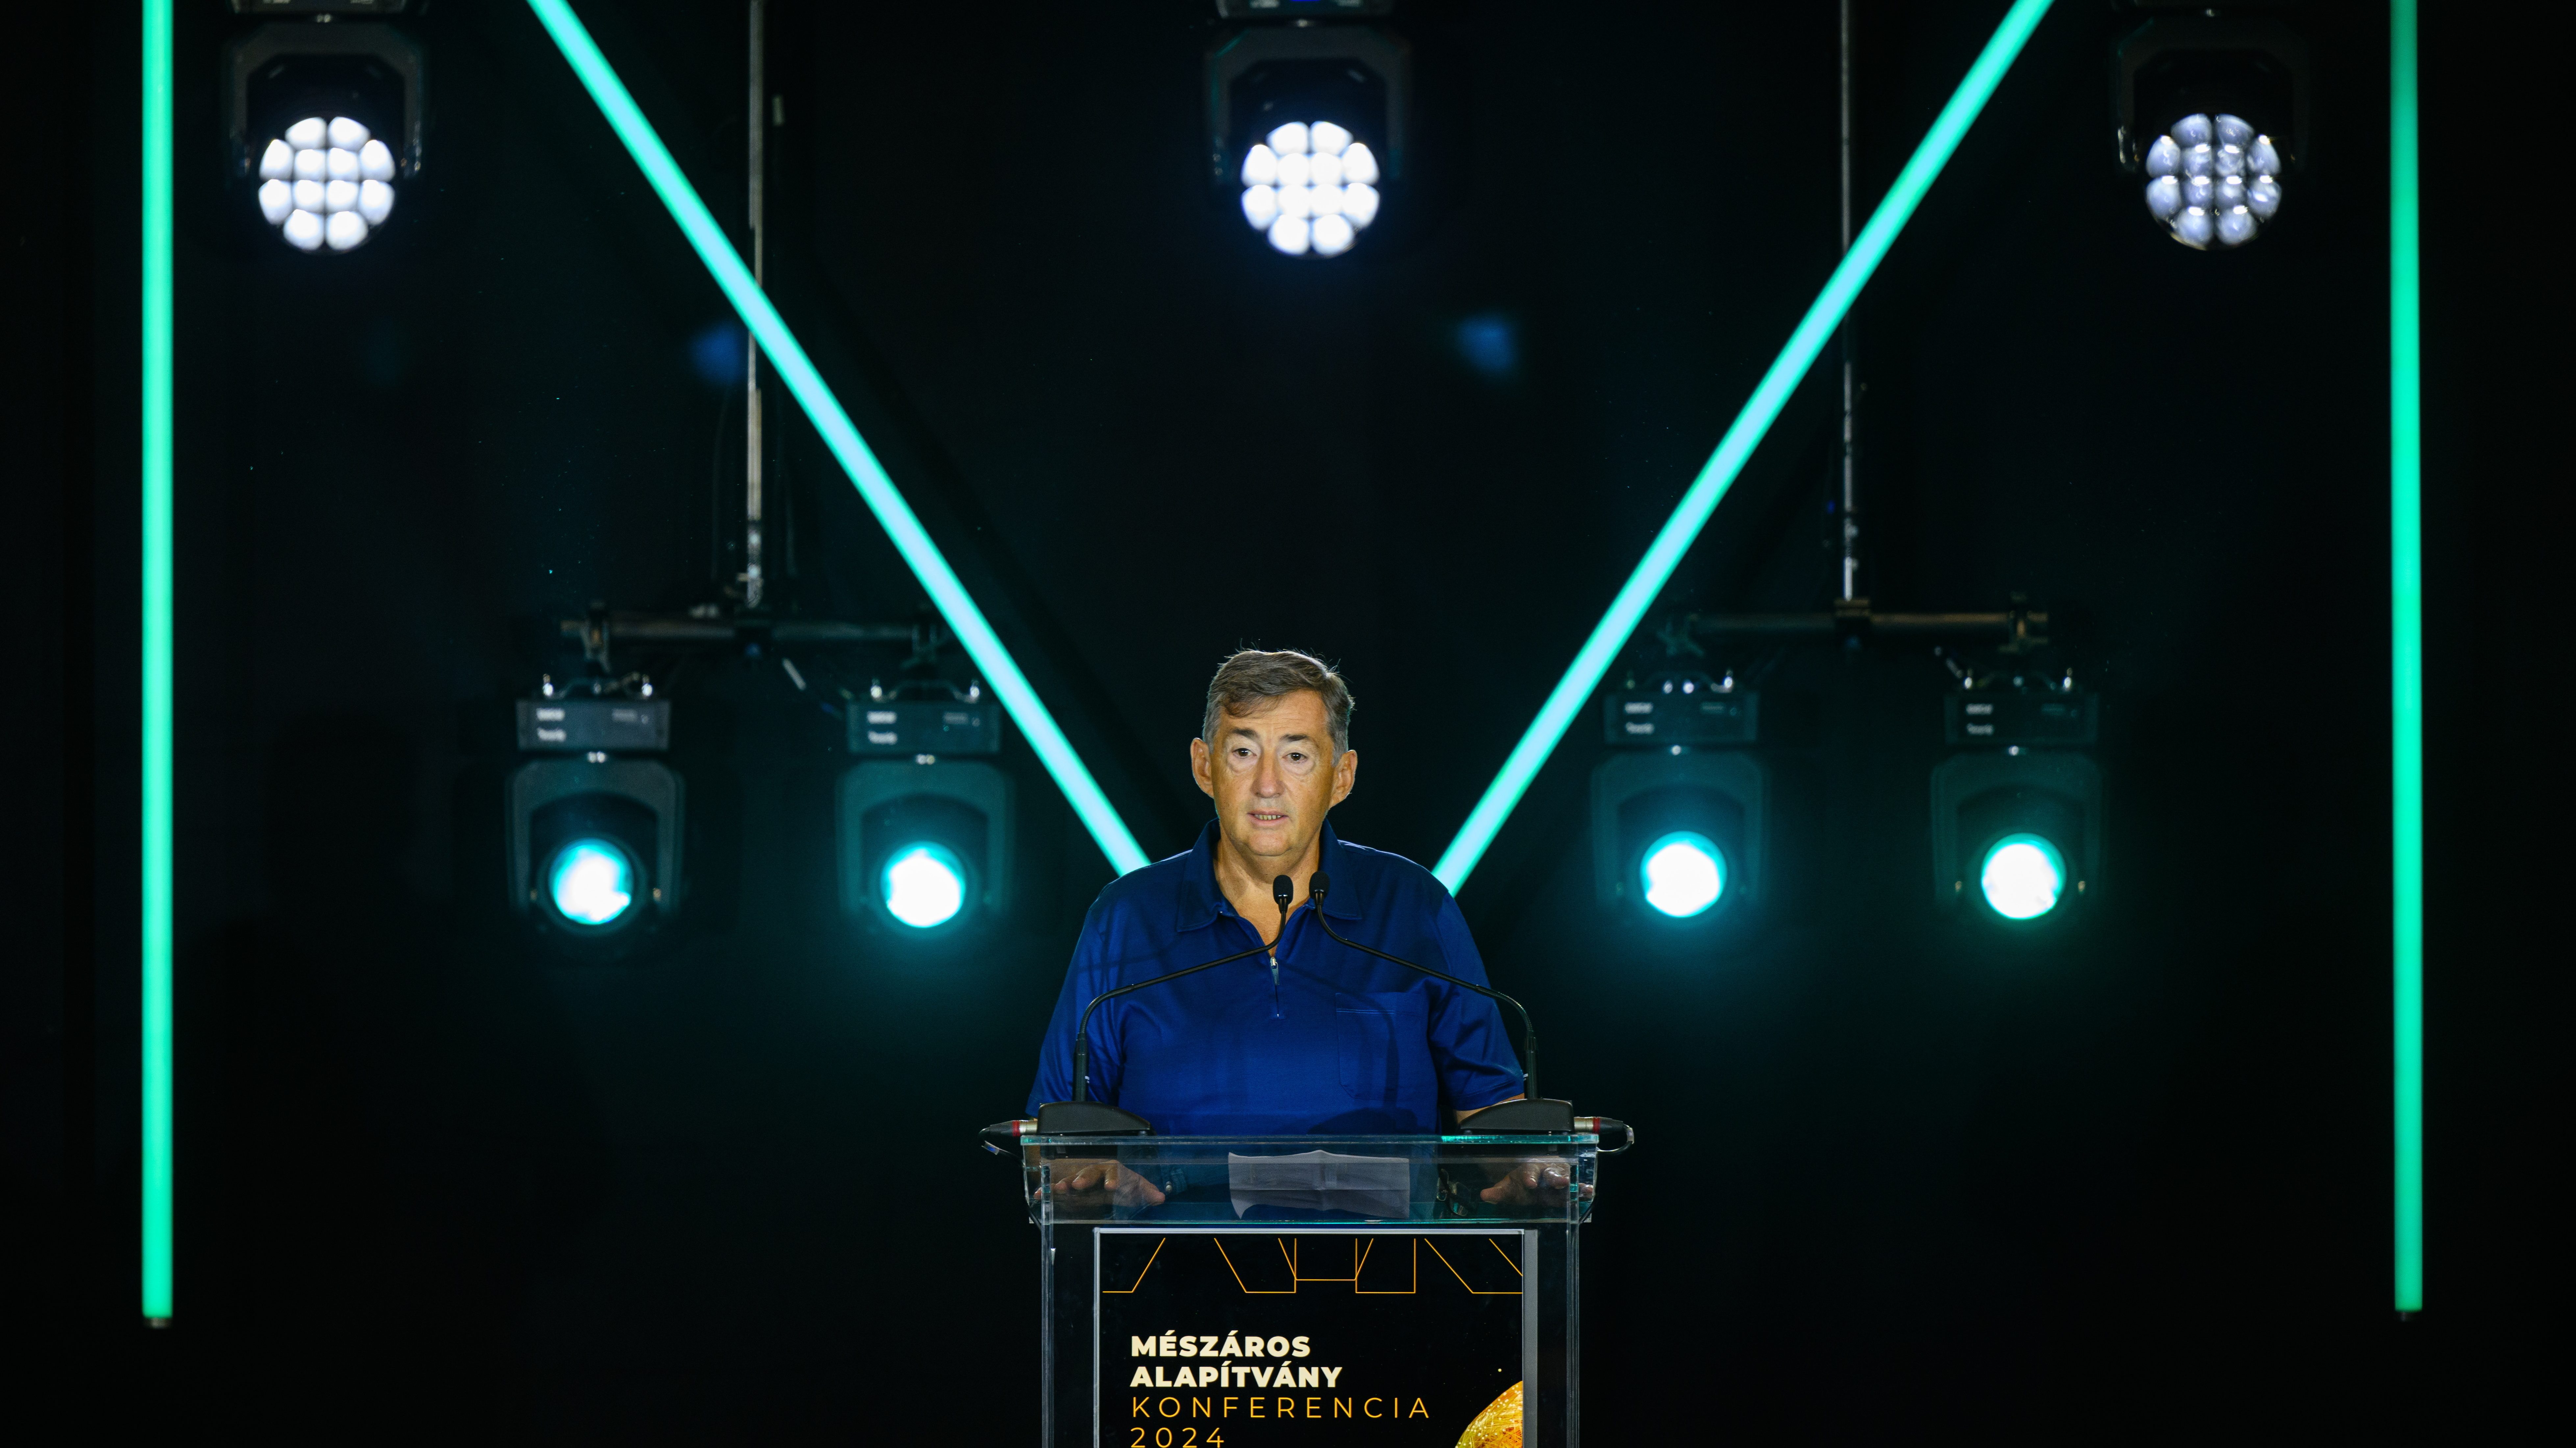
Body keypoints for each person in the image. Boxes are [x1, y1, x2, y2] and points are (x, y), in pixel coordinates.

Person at [1024, 650, 1551, 1204]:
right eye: (1244, 752)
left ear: (1341, 776)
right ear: (1204, 766)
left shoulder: (1416, 905)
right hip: (1170, 1254)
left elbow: (1495, 1115)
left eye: (1296, 755)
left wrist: (1533, 1167)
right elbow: (1054, 1134)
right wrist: (1090, 1176)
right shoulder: (1124, 917)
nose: (1268, 784)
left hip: (1382, 1256)